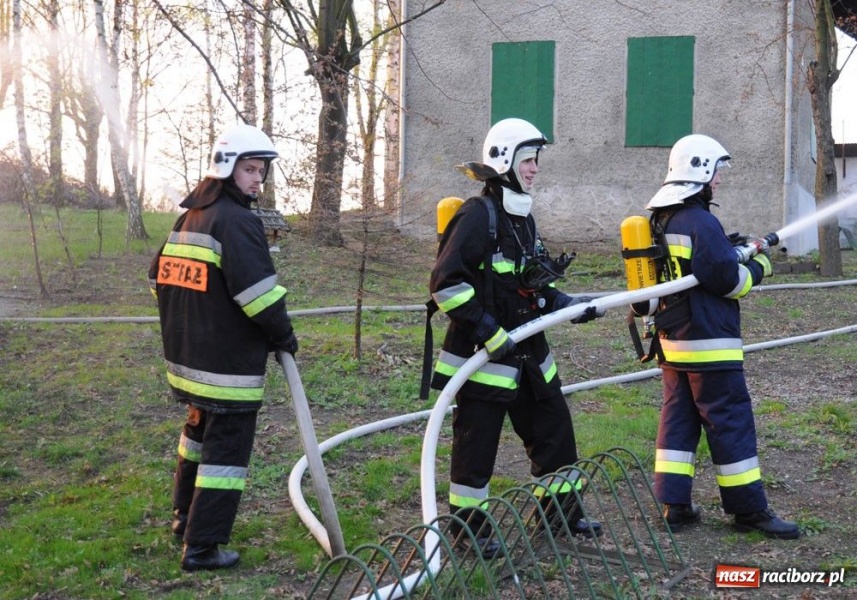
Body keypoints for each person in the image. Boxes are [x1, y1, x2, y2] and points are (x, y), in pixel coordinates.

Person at [429, 118, 605, 558]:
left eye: (537, 160)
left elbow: (535, 281)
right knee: (476, 448)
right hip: (483, 359)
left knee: (555, 433)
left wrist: (566, 303)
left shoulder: (523, 219)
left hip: (530, 356)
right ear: (504, 162)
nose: (534, 169)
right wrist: (488, 330)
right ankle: (468, 531)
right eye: (528, 160)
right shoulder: (477, 216)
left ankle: (560, 512)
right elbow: (445, 284)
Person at [148, 123, 299, 571]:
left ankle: (183, 518)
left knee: (196, 437)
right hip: (228, 369)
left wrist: (196, 318)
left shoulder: (189, 217)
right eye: (250, 170)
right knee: (225, 456)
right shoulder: (237, 223)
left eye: (261, 171)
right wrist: (285, 337)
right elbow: (261, 297)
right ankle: (202, 546)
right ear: (226, 168)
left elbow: (158, 277)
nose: (258, 180)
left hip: (188, 361)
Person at [643, 134, 799, 539]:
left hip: (673, 341)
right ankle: (749, 511)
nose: (719, 181)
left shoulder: (663, 218)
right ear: (701, 172)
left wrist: (731, 247)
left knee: (678, 418)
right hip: (709, 343)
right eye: (716, 173)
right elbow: (727, 279)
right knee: (728, 419)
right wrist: (759, 265)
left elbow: (697, 263)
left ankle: (674, 505)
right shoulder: (701, 221)